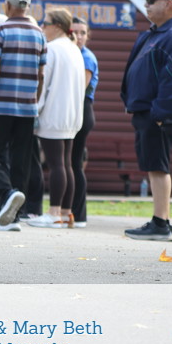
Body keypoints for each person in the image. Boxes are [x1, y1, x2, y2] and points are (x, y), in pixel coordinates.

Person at [121, 0, 172, 241]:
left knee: (159, 166)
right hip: (147, 112)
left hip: (159, 116)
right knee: (153, 166)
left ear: (169, 4)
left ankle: (161, 224)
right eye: (146, 0)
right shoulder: (156, 33)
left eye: (152, 1)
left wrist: (159, 114)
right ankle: (159, 221)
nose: (147, 5)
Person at [0, 0, 47, 231]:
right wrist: (34, 102)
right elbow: (41, 74)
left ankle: (6, 193)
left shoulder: (0, 31)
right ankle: (14, 218)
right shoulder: (39, 34)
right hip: (27, 109)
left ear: (7, 5)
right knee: (21, 162)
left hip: (1, 106)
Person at [27, 8, 85, 229]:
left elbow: (43, 83)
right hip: (71, 115)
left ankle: (53, 213)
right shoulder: (74, 49)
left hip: (53, 114)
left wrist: (35, 110)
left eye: (46, 23)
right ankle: (66, 212)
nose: (43, 27)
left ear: (58, 26)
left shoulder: (52, 49)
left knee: (56, 165)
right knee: (67, 164)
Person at [70, 16, 98, 228]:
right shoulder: (69, 54)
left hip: (81, 109)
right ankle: (68, 211)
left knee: (75, 163)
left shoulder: (86, 57)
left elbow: (79, 88)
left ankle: (79, 214)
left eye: (83, 33)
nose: (79, 37)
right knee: (68, 163)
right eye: (75, 32)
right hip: (71, 110)